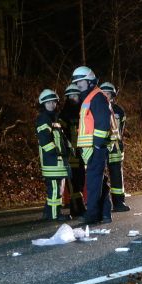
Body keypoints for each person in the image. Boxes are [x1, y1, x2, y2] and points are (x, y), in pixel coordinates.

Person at [74, 66, 115, 225]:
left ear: (90, 81)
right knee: (99, 182)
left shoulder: (96, 97)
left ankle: (92, 214)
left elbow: (103, 123)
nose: (78, 84)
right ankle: (105, 213)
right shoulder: (91, 97)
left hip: (96, 148)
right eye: (76, 82)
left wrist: (97, 146)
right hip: (93, 148)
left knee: (93, 183)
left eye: (81, 81)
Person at [35, 89, 68, 221]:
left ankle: (49, 212)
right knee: (55, 189)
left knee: (57, 188)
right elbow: (44, 140)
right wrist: (56, 152)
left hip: (57, 161)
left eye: (53, 102)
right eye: (48, 102)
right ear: (43, 104)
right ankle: (55, 215)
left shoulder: (54, 118)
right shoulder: (44, 118)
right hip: (52, 161)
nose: (52, 104)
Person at [100, 81, 131, 212]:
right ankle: (101, 204)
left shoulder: (119, 111)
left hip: (115, 147)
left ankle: (119, 202)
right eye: (103, 94)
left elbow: (121, 131)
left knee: (117, 175)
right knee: (100, 176)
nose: (106, 96)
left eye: (108, 93)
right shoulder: (96, 109)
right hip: (101, 147)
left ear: (112, 95)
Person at [58, 83, 85, 217]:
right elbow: (61, 136)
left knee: (81, 179)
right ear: (67, 98)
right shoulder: (63, 116)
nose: (74, 98)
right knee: (73, 182)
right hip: (71, 153)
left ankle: (80, 206)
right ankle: (76, 209)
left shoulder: (83, 112)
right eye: (71, 96)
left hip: (82, 152)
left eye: (76, 95)